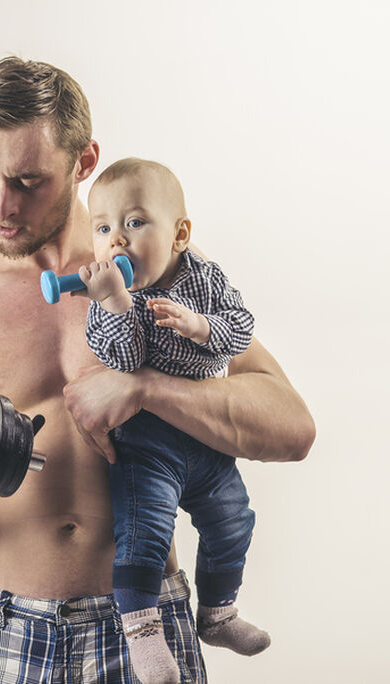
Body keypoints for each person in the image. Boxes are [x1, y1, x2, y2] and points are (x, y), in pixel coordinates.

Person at [0, 56, 315, 684]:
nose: (4, 206)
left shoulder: (166, 274)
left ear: (84, 162)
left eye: (28, 180)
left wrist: (143, 388)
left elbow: (292, 428)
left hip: (143, 628)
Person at [76, 158, 269, 683]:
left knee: (234, 519)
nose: (116, 241)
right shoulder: (109, 298)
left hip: (205, 434)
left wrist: (203, 327)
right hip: (147, 442)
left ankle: (218, 614)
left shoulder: (205, 277)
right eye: (103, 229)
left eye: (134, 223)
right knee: (145, 532)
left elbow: (242, 327)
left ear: (180, 234)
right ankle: (143, 635)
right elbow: (123, 361)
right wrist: (116, 304)